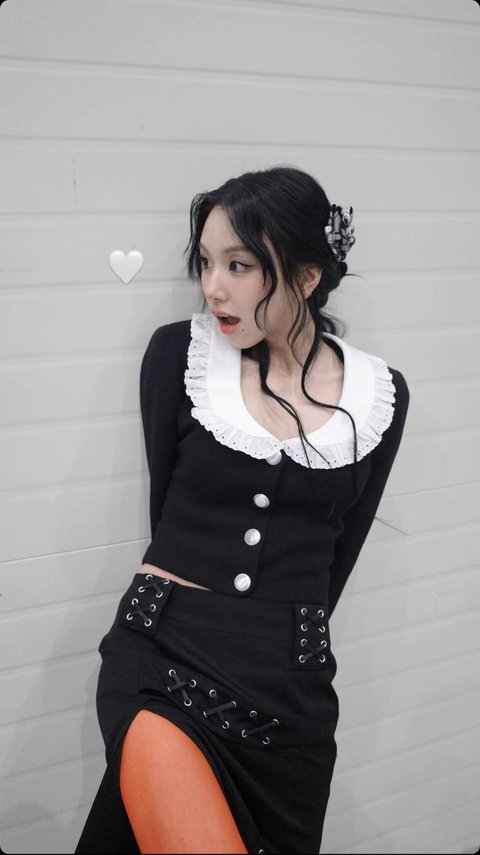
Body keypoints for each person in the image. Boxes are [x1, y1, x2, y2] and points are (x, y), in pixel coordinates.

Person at [75, 166, 410, 854]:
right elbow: (167, 507)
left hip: (291, 690)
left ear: (307, 275)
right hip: (165, 654)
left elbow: (336, 559)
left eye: (239, 265)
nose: (212, 287)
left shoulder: (381, 396)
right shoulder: (180, 355)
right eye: (205, 262)